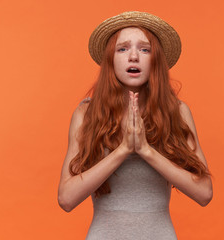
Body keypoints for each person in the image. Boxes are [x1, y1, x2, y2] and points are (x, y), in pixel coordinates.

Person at [58, 11, 213, 239]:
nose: (133, 57)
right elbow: (66, 199)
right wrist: (123, 150)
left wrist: (145, 150)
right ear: (111, 59)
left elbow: (204, 193)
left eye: (144, 49)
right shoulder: (86, 114)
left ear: (155, 60)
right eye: (122, 49)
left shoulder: (177, 112)